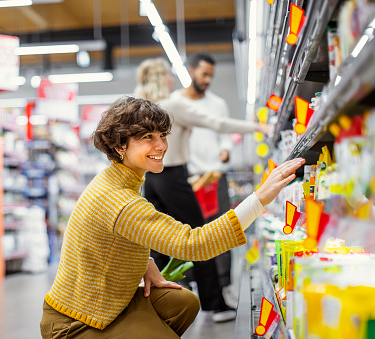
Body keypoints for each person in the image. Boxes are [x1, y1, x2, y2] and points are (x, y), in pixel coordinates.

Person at [40, 96, 305, 338]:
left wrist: (144, 261)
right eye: (147, 137)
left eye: (162, 135)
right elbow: (193, 243)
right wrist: (259, 199)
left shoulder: (121, 181)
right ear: (120, 145)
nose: (161, 145)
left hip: (108, 301)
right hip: (75, 322)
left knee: (184, 303)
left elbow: (106, 240)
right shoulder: (119, 200)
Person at [134, 57, 272, 322]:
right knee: (199, 238)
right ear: (162, 78)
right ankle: (215, 304)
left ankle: (161, 304)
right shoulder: (174, 104)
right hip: (173, 177)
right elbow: (217, 123)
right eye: (168, 76)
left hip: (150, 179)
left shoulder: (144, 109)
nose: (173, 80)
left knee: (159, 244)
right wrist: (256, 126)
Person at [181, 53, 241, 308]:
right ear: (191, 71)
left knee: (222, 233)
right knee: (191, 236)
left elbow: (225, 136)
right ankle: (197, 289)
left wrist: (226, 149)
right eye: (203, 74)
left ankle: (222, 287)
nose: (207, 80)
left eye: (211, 76)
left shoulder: (218, 104)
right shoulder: (178, 105)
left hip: (216, 178)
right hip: (191, 180)